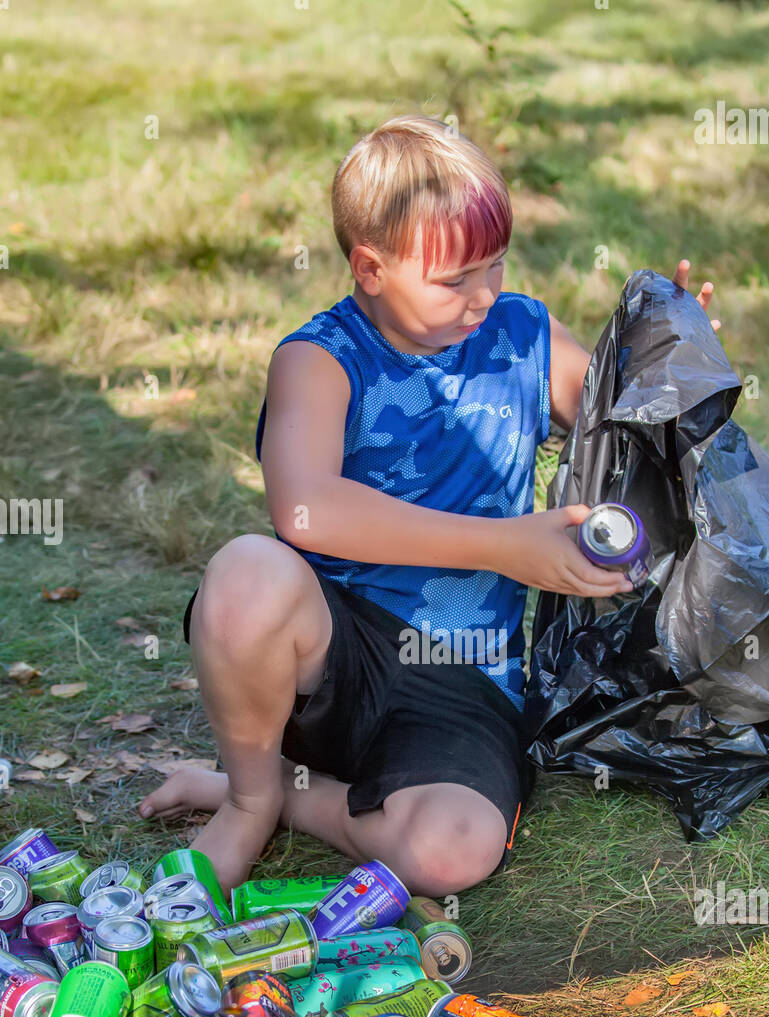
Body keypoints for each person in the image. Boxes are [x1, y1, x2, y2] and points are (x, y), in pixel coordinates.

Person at [138, 114, 719, 895]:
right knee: (246, 573)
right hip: (334, 652)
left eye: (496, 266)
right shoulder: (319, 360)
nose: (482, 296)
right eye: (453, 280)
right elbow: (303, 513)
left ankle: (294, 795)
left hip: (465, 680)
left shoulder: (522, 335)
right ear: (370, 268)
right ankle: (247, 798)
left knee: (451, 853)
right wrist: (501, 544)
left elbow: (624, 423)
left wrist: (674, 363)